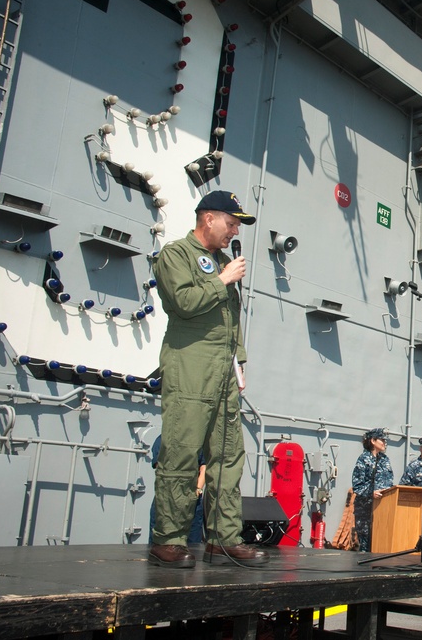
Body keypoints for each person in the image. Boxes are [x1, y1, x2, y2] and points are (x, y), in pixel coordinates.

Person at [149, 190, 268, 568]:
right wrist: (223, 279)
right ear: (209, 218)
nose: (234, 231)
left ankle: (223, 539)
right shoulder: (176, 255)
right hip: (191, 366)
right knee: (182, 453)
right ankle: (168, 538)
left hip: (223, 370)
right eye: (231, 223)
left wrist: (240, 361)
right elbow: (182, 303)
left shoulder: (220, 261)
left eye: (237, 225)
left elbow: (231, 321)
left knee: (228, 456)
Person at [149, 436, 206, 545]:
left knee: (192, 543)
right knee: (160, 543)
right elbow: (159, 465)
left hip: (192, 501)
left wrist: (197, 489)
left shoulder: (198, 441)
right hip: (167, 500)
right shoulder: (162, 439)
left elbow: (204, 466)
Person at [351, 427, 394, 553]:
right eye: (382, 440)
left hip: (382, 508)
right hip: (365, 509)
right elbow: (357, 486)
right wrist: (371, 493)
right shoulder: (364, 459)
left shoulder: (385, 460)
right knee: (366, 543)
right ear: (373, 441)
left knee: (380, 542)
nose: (384, 443)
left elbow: (390, 483)